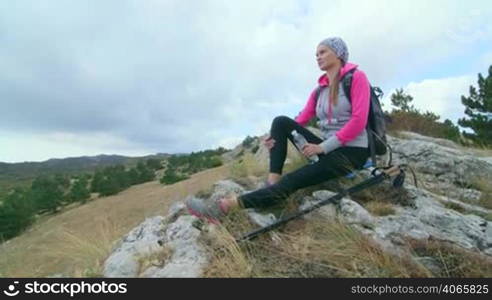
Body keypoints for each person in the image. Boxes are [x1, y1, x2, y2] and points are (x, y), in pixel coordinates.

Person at [186, 37, 371, 223]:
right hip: (328, 148)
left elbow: (358, 121)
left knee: (291, 180)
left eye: (323, 52)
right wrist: (274, 136)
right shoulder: (319, 91)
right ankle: (272, 184)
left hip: (352, 152)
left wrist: (322, 148)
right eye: (316, 54)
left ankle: (224, 207)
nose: (318, 57)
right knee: (280, 121)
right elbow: (301, 119)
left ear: (338, 54)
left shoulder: (356, 78)